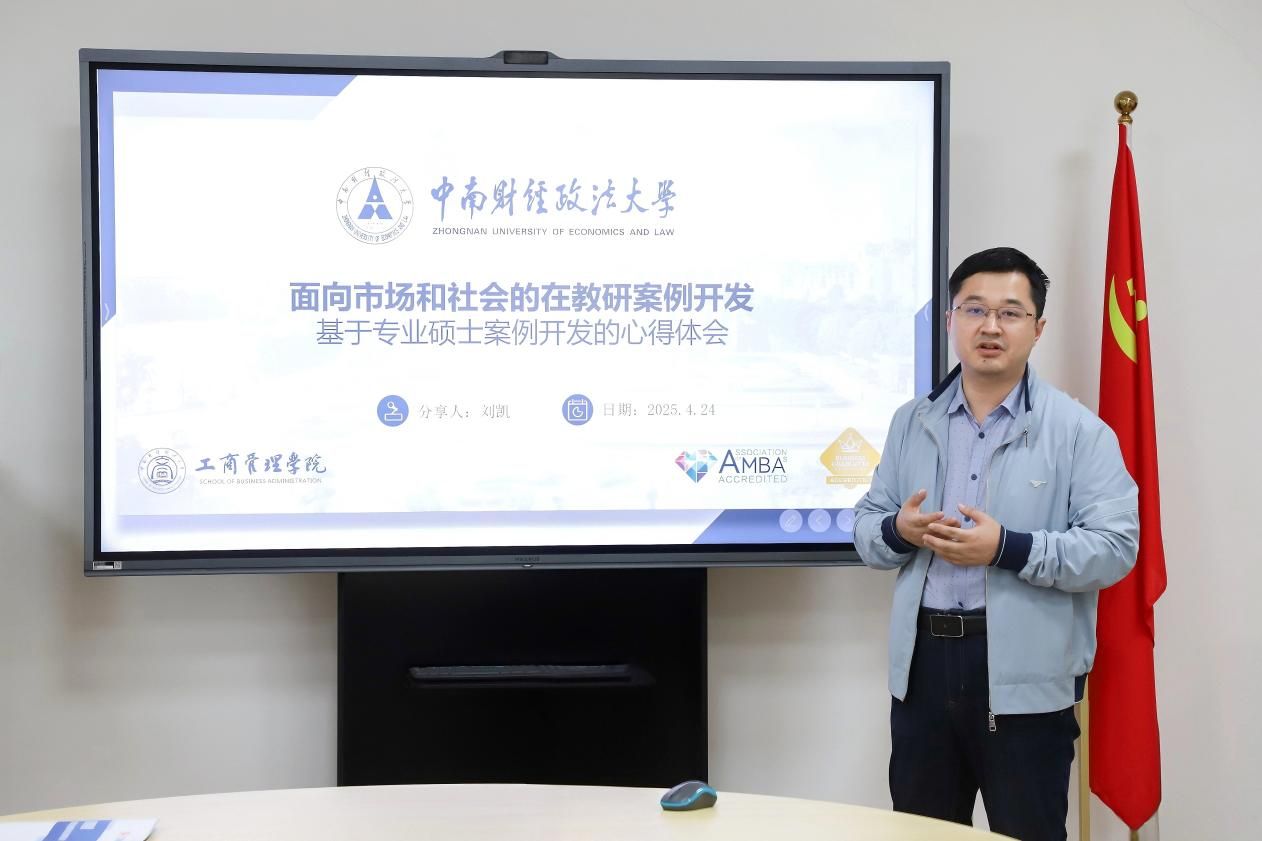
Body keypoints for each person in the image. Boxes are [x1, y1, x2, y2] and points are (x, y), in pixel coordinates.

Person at [853, 246, 1139, 841]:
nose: (990, 326)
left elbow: (1115, 547)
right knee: (922, 834)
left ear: (1038, 328)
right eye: (974, 309)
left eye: (1010, 312)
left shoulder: (1078, 431)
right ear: (950, 320)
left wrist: (1007, 548)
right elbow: (867, 526)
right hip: (923, 670)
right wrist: (898, 531)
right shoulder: (912, 420)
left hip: (1027, 678)